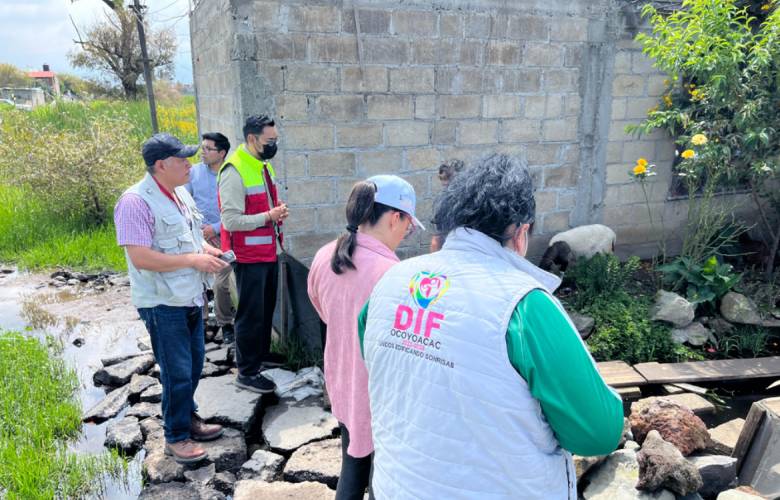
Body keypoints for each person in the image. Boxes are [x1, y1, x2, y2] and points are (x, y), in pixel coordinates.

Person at [358, 154, 624, 499]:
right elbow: (598, 433)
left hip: (396, 487)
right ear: (521, 232)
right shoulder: (525, 305)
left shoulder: (390, 281)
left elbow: (382, 366)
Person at [114, 133, 227, 464]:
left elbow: (190, 237)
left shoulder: (180, 193)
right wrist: (193, 260)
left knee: (193, 365)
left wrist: (207, 251)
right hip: (161, 303)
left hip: (189, 295)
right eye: (182, 160)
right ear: (161, 165)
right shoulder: (135, 202)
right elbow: (141, 258)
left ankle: (187, 417)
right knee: (177, 371)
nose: (190, 164)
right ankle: (176, 437)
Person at [308, 176, 423, 500]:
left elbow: (323, 312)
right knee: (381, 483)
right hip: (380, 398)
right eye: (408, 226)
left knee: (352, 467)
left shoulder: (324, 256)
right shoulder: (394, 276)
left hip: (343, 386)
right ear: (394, 218)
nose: (405, 233)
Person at [218, 115, 288, 394]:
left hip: (268, 251)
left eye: (275, 139)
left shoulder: (263, 164)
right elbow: (231, 221)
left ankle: (261, 355)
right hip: (249, 257)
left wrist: (276, 211)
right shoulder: (234, 170)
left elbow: (262, 203)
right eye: (269, 140)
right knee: (250, 314)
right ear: (252, 139)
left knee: (265, 309)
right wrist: (269, 216)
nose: (274, 145)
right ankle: (247, 372)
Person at [186, 132, 236, 344]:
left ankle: (226, 324)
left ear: (222, 153)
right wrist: (197, 230)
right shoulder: (194, 173)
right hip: (198, 235)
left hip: (225, 234)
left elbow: (237, 210)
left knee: (221, 281)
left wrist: (215, 228)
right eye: (202, 148)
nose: (203, 152)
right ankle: (203, 322)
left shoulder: (231, 175)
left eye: (208, 149)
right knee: (196, 279)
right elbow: (184, 203)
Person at [429, 159, 464, 252]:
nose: (444, 183)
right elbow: (437, 238)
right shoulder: (442, 202)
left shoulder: (471, 200)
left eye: (448, 178)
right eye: (442, 179)